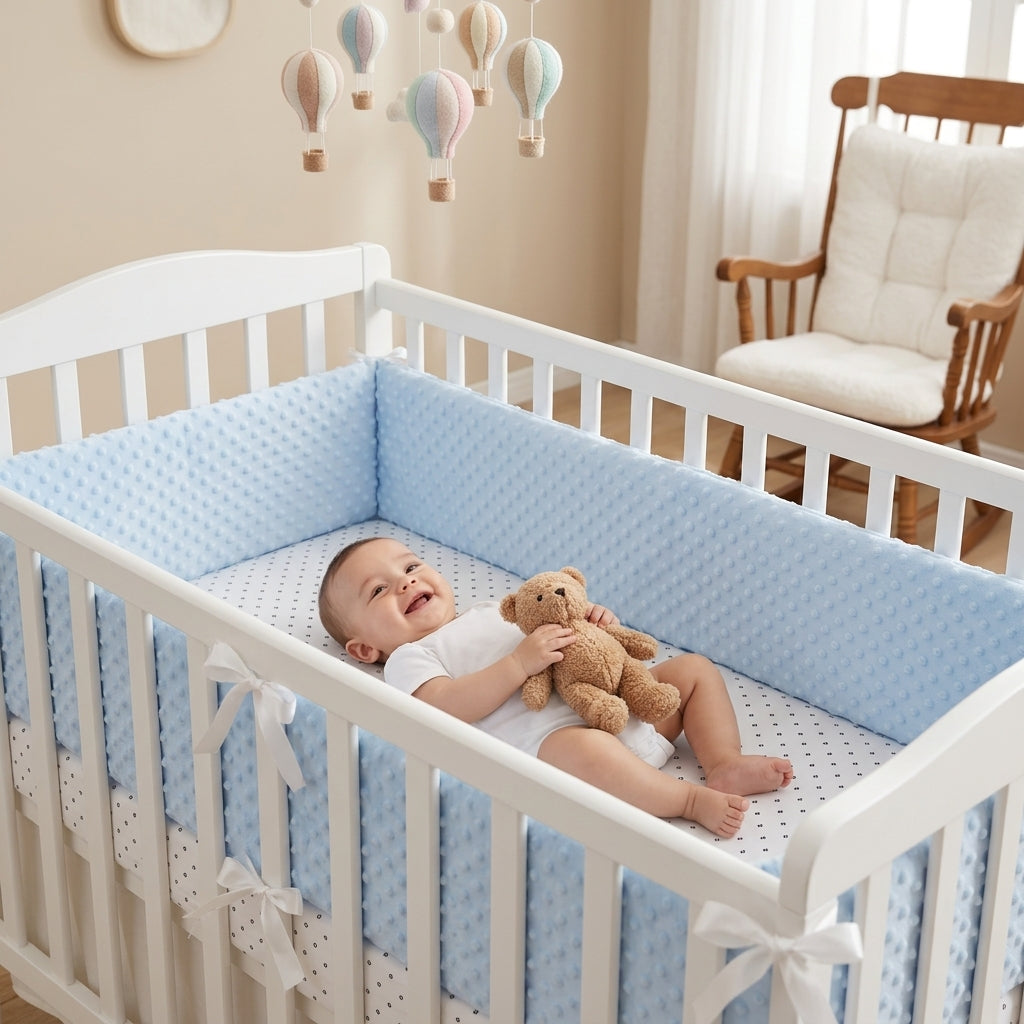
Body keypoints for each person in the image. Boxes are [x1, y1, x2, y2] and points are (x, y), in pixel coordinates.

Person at [318, 536, 793, 838]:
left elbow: (569, 637)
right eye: (378, 591)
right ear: (364, 650)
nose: (405, 583)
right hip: (558, 741)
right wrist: (518, 664)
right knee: (585, 749)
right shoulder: (409, 658)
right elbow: (442, 707)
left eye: (410, 567)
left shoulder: (491, 611)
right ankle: (686, 799)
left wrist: (594, 624)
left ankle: (723, 762)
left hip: (620, 706)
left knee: (693, 670)